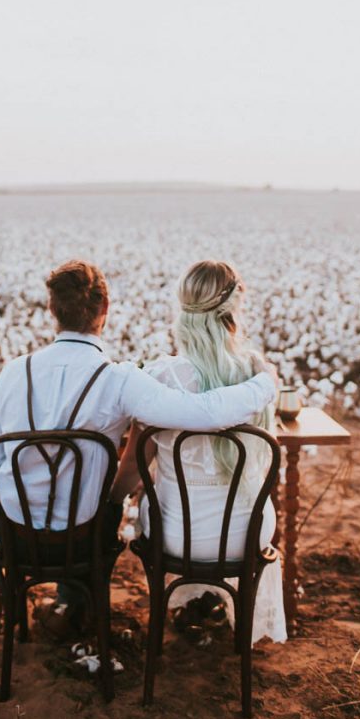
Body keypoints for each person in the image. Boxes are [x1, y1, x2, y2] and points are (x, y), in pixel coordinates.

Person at [0, 259, 277, 636]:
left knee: (87, 502)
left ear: (52, 310)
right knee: (97, 505)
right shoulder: (119, 381)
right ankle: (79, 604)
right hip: (82, 538)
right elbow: (202, 412)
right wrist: (264, 383)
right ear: (105, 310)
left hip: (15, 534)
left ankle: (65, 608)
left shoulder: (13, 372)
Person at [112, 259, 287, 645]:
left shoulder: (159, 378)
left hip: (178, 536)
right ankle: (220, 606)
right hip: (247, 531)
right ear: (233, 312)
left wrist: (108, 505)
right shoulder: (257, 374)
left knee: (157, 506)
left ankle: (183, 606)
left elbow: (132, 471)